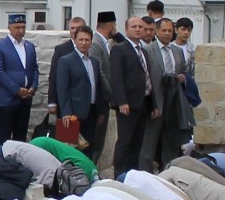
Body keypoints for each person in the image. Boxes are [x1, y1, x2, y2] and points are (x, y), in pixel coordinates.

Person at [108, 15, 157, 176]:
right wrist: (122, 101)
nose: (138, 29)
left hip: (143, 102)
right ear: (126, 29)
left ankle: (133, 175)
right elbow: (116, 77)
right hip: (127, 104)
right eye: (134, 27)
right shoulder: (119, 49)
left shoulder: (143, 51)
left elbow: (148, 77)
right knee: (125, 141)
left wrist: (153, 104)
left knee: (137, 142)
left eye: (140, 27)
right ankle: (120, 175)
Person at [52, 25, 105, 156]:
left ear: (91, 42)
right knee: (71, 150)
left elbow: (98, 87)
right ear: (75, 40)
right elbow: (62, 88)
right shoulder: (66, 61)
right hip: (73, 113)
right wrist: (66, 112)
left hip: (92, 111)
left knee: (89, 148)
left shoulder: (94, 62)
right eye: (81, 39)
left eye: (87, 40)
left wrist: (100, 110)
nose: (84, 43)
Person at [0, 13, 38, 146]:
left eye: (23, 27)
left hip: (26, 99)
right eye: (17, 27)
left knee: (20, 137)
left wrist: (33, 86)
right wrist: (16, 90)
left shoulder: (29, 46)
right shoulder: (0, 46)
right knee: (4, 136)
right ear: (9, 27)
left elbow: (34, 69)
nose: (20, 31)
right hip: (8, 99)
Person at [155, 16, 194, 164]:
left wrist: (184, 78)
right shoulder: (151, 50)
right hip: (157, 98)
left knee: (173, 138)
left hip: (175, 98)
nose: (167, 33)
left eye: (169, 31)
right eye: (164, 30)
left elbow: (187, 72)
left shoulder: (183, 51)